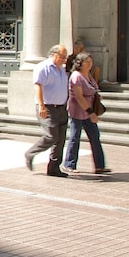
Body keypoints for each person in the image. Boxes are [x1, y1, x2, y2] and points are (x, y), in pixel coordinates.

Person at [25, 44, 70, 177]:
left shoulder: (61, 69)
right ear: (53, 55)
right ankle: (30, 153)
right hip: (48, 108)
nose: (64, 60)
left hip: (61, 107)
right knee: (51, 136)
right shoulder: (43, 67)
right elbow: (38, 86)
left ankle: (54, 168)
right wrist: (41, 106)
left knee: (60, 139)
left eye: (65, 57)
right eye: (62, 57)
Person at [63, 53, 110, 174]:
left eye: (91, 61)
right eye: (86, 62)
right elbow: (79, 97)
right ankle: (69, 164)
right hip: (78, 111)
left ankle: (99, 166)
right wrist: (91, 113)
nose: (90, 64)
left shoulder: (88, 75)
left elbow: (92, 89)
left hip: (89, 110)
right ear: (80, 63)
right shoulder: (76, 76)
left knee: (95, 137)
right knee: (75, 137)